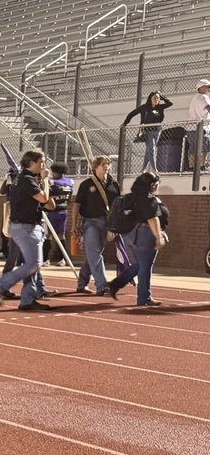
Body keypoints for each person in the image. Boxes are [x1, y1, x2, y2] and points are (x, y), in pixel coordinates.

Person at [0, 150, 54, 310]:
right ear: (32, 163)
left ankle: (27, 299)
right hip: (25, 226)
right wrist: (45, 181)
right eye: (41, 161)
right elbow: (43, 199)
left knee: (33, 264)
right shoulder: (26, 179)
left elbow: (47, 204)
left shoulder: (24, 179)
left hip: (28, 225)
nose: (44, 165)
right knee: (33, 263)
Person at [105, 172, 168, 306]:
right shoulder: (148, 198)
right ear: (152, 185)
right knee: (145, 267)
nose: (157, 186)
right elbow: (152, 218)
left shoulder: (130, 197)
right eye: (156, 183)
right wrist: (158, 236)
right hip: (145, 234)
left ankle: (116, 284)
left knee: (140, 265)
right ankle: (143, 297)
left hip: (131, 235)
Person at [72, 156, 120, 295]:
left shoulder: (114, 184)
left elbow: (116, 206)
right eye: (103, 164)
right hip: (90, 222)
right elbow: (77, 204)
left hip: (107, 223)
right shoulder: (86, 184)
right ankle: (102, 285)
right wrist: (74, 224)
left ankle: (82, 283)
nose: (106, 166)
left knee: (94, 254)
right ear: (95, 167)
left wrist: (114, 226)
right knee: (94, 254)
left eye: (108, 164)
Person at [123, 92, 172, 173]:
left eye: (158, 98)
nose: (156, 100)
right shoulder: (145, 107)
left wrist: (162, 97)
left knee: (149, 150)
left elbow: (170, 103)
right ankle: (154, 169)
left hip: (157, 131)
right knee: (152, 150)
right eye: (154, 98)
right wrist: (125, 123)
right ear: (150, 99)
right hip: (148, 131)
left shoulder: (160, 107)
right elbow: (132, 114)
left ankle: (143, 169)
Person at [43, 162, 73, 268]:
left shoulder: (52, 182)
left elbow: (47, 196)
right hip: (64, 211)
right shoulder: (70, 182)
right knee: (61, 235)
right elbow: (70, 199)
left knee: (48, 236)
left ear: (56, 172)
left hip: (51, 212)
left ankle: (45, 259)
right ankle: (62, 259)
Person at [188, 79, 210, 170]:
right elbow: (209, 108)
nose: (209, 88)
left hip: (190, 128)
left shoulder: (195, 97)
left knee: (193, 148)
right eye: (208, 87)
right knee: (204, 147)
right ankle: (201, 166)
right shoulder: (203, 97)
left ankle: (192, 167)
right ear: (201, 88)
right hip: (200, 128)